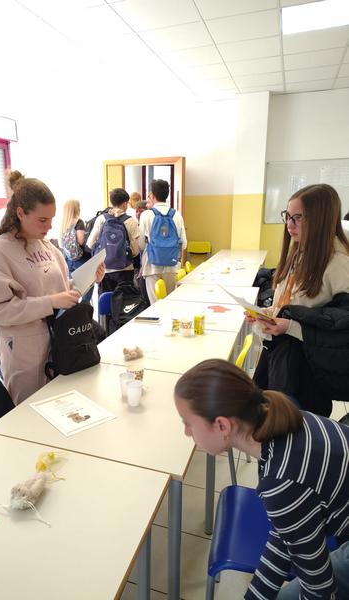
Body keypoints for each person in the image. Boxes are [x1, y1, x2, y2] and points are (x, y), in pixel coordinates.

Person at [174, 358, 349, 600]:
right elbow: (286, 533)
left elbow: (319, 590)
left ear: (222, 425)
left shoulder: (282, 482)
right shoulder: (280, 425)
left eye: (188, 423)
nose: (186, 432)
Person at [0, 170, 104, 405]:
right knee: (30, 411)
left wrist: (88, 279)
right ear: (20, 213)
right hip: (23, 350)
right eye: (42, 220)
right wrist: (50, 303)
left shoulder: (47, 247)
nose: (49, 226)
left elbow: (63, 290)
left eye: (51, 219)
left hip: (60, 342)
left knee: (62, 406)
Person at [249, 183, 349, 416]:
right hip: (281, 360)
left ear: (321, 219)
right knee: (267, 420)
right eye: (287, 216)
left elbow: (341, 329)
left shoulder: (339, 263)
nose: (289, 225)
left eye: (297, 218)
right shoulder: (300, 251)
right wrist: (266, 317)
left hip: (306, 374)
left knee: (291, 429)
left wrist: (290, 327)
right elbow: (287, 305)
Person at [139, 179, 187, 304]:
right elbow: (184, 244)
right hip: (171, 264)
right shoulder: (177, 215)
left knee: (155, 304)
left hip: (151, 264)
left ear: (153, 196)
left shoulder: (146, 215)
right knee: (169, 302)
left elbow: (141, 244)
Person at [86, 187, 140, 294]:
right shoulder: (131, 221)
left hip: (104, 270)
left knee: (105, 300)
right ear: (124, 204)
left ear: (111, 202)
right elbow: (135, 251)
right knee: (124, 301)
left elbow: (90, 244)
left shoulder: (101, 219)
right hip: (125, 270)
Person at [59, 199, 93, 303]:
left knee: (73, 287)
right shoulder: (78, 222)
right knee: (88, 283)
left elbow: (61, 244)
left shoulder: (63, 223)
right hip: (81, 259)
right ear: (76, 208)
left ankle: (73, 307)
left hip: (68, 259)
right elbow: (81, 241)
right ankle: (85, 306)